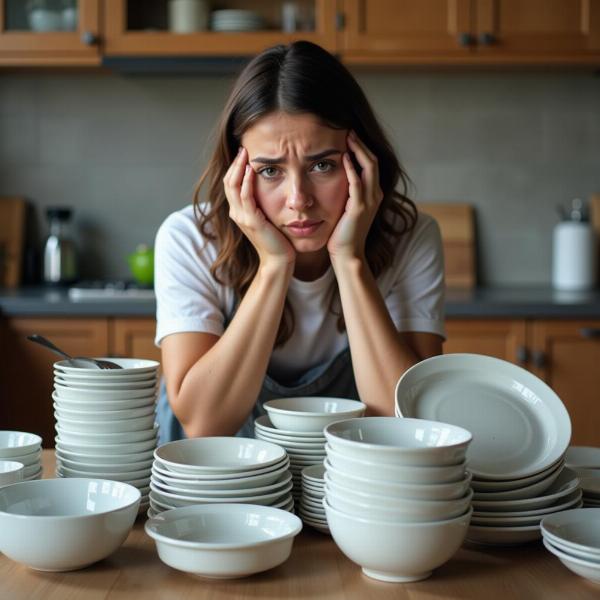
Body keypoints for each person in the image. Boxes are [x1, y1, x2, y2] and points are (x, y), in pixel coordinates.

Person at [154, 40, 445, 444]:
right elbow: (204, 423)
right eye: (271, 170)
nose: (298, 200)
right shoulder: (189, 238)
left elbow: (408, 421)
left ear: (364, 161)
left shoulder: (410, 237)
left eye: (322, 165)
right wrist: (274, 266)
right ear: (238, 172)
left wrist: (350, 260)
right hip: (212, 485)